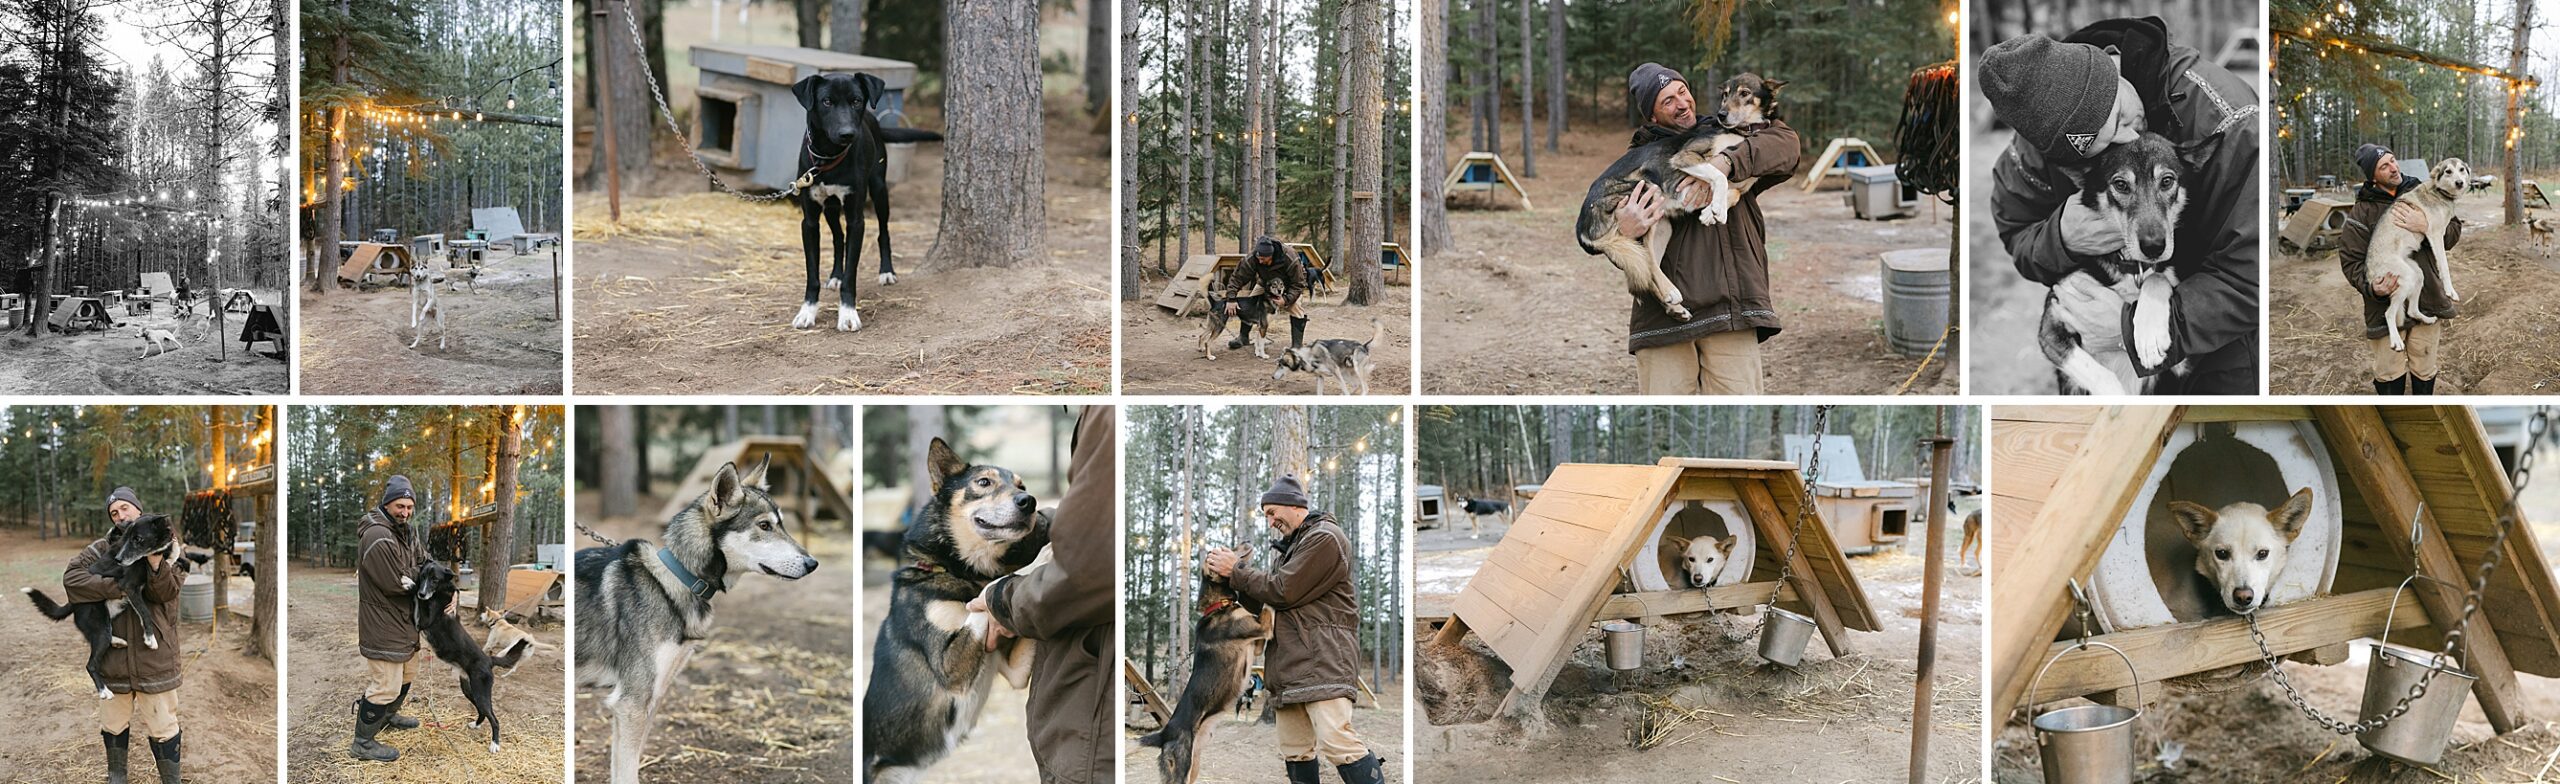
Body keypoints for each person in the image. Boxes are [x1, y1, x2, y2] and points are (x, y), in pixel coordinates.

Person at [1981, 17, 2261, 394]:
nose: (2128, 137)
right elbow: (2015, 230)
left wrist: (2133, 327)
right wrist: (2062, 238)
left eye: (2117, 118)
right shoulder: (2039, 126)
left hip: (2218, 346)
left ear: (2109, 70)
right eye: (2103, 144)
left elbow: (2254, 274)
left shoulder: (2230, 119)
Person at [1609, 62, 1800, 394]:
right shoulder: (1636, 161)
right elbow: (1616, 243)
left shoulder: (1727, 133)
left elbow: (1786, 145)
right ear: (1651, 116)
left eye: (1683, 92)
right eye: (1667, 100)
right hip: (1663, 317)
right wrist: (1623, 229)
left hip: (1730, 306)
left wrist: (1725, 163)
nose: (1681, 103)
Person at [1204, 475, 1384, 784]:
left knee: (1338, 742)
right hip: (1289, 664)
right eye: (1266, 516)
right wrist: (1229, 582)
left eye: (1273, 512)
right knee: (1296, 750)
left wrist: (1237, 570)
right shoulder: (1290, 551)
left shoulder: (1326, 538)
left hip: (1323, 660)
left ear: (1294, 505)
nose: (1271, 522)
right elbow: (1269, 603)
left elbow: (1284, 590)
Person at [974, 405, 1118, 784]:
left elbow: (1089, 570)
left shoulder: (1106, 414)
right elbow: (1096, 520)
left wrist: (1004, 600)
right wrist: (1037, 529)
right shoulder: (1099, 414)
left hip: (1093, 734)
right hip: (1081, 722)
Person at [67, 486, 183, 784]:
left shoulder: (170, 547)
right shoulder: (99, 549)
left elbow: (167, 593)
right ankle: (116, 776)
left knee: (163, 724)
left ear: (138, 510)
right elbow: (73, 579)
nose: (120, 516)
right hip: (114, 657)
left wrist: (156, 563)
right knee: (113, 722)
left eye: (125, 509)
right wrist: (121, 587)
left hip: (153, 655)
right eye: (114, 512)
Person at [2337, 143, 2458, 395]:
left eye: (2393, 160)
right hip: (2384, 304)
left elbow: (2453, 232)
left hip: (2428, 297)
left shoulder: (2426, 191)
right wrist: (2372, 287)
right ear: (2372, 176)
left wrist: (2424, 224)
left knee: (2424, 365)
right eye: (2384, 166)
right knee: (2389, 370)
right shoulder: (2362, 213)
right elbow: (2351, 261)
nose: (2393, 168)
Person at [351, 475, 424, 762]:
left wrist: (424, 574)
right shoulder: (377, 536)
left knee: (407, 674)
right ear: (387, 503)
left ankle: (388, 716)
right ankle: (363, 742)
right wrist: (424, 578)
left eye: (409, 506)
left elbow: (423, 562)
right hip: (383, 624)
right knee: (385, 685)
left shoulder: (406, 532)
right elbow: (397, 582)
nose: (405, 512)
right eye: (399, 506)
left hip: (404, 622)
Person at [1218, 236, 1312, 351]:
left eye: (1263, 259)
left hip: (1290, 285)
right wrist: (1231, 298)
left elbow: (1298, 284)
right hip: (1266, 283)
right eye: (1259, 258)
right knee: (1251, 303)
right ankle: (1243, 337)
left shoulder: (1289, 257)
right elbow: (1237, 277)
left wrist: (1286, 300)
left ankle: (1297, 346)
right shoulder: (1254, 257)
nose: (1260, 261)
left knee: (1296, 308)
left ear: (1271, 256)